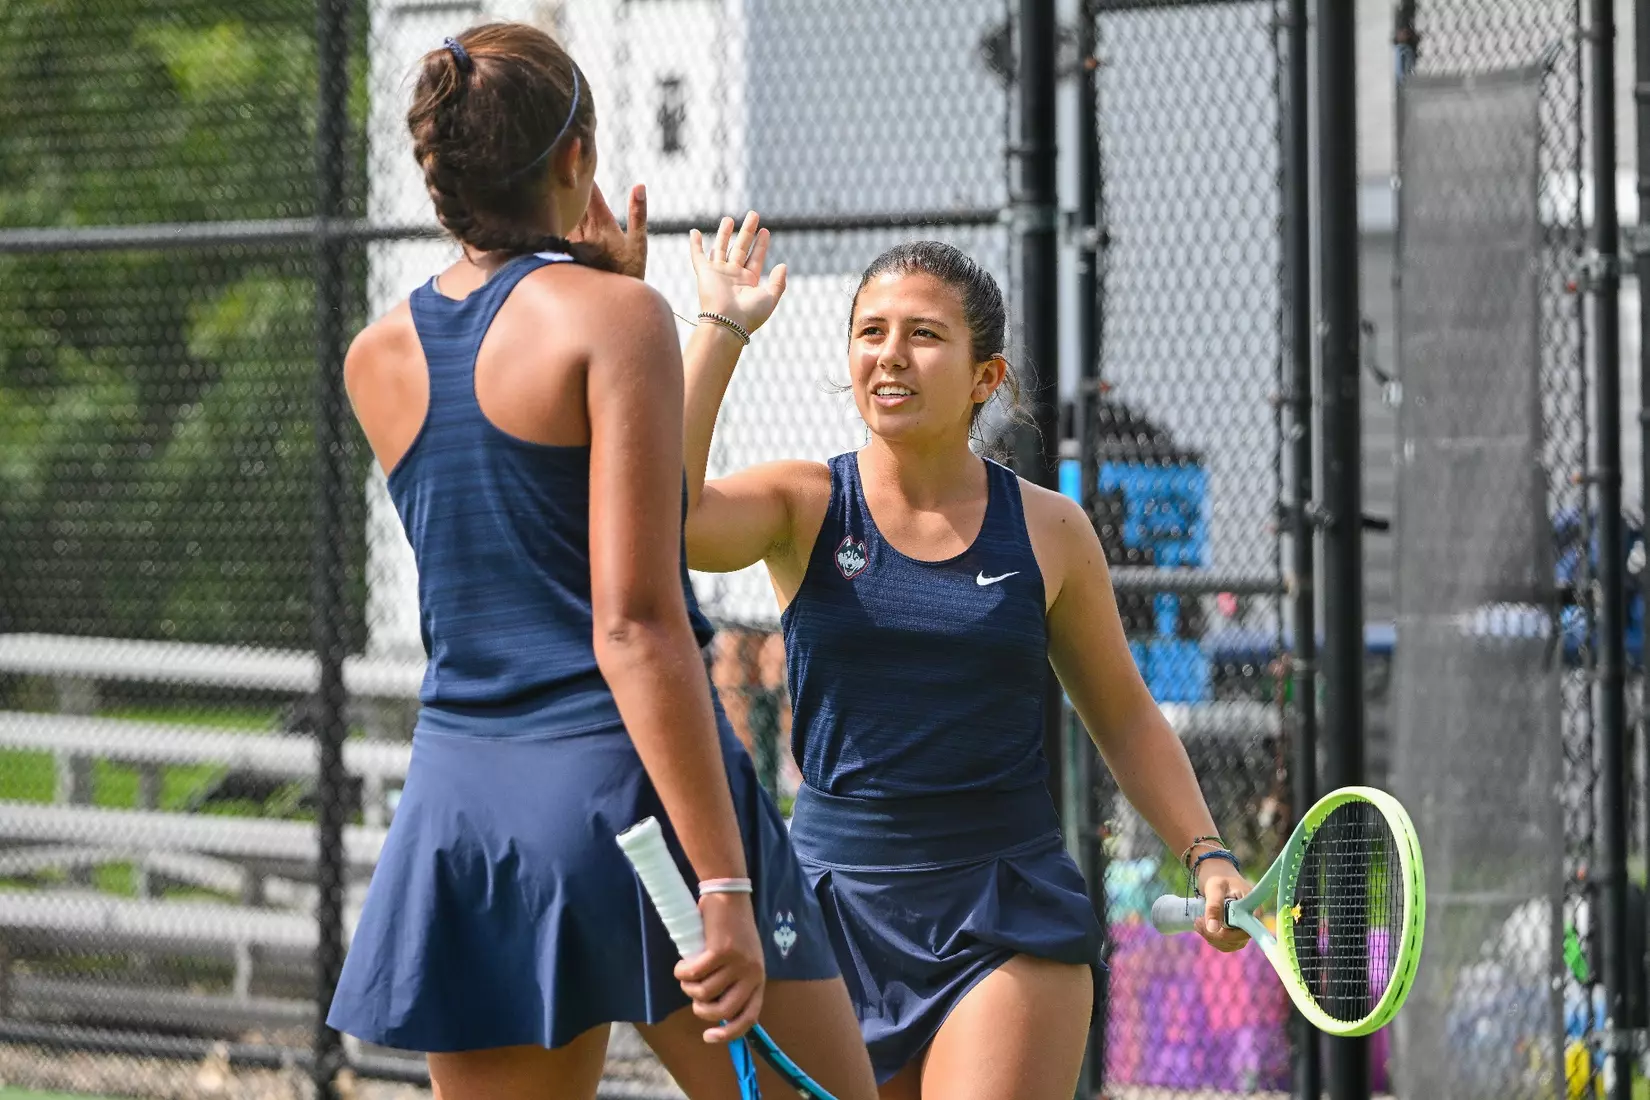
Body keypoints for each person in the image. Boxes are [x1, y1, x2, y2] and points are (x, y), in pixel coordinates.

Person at [324, 25, 878, 1100]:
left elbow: (522, 535)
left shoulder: (372, 355)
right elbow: (631, 619)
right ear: (576, 158)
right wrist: (723, 878)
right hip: (631, 789)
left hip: (464, 808)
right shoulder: (618, 318)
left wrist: (610, 301)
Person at [680, 216, 1255, 1100]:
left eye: (923, 335)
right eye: (870, 332)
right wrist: (721, 328)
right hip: (827, 903)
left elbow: (1126, 714)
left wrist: (1207, 852)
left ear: (986, 376)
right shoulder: (802, 504)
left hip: (1003, 909)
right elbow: (671, 521)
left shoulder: (1052, 529)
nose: (891, 355)